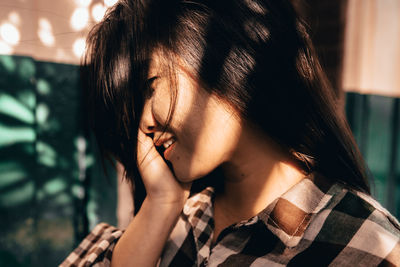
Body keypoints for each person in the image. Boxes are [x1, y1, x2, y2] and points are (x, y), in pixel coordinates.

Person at [61, 0, 400, 266]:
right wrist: (161, 205)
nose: (144, 124)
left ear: (224, 52)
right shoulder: (171, 222)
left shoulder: (366, 247)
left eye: (150, 86)